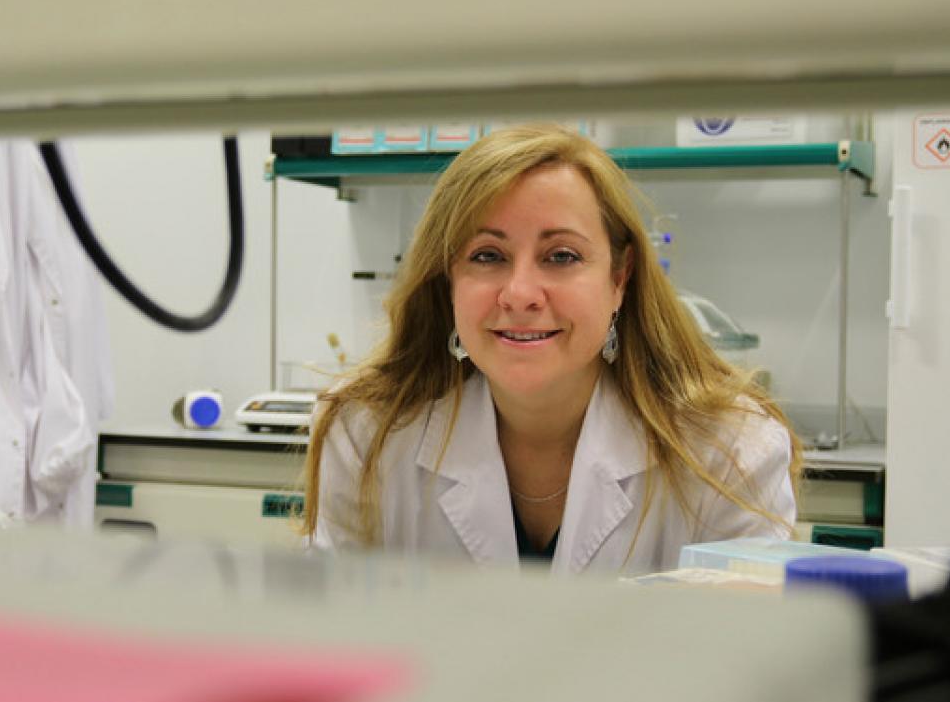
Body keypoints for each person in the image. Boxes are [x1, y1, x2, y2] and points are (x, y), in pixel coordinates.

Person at [302, 123, 801, 575]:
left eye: (561, 256)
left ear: (619, 278)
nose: (520, 294)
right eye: (487, 255)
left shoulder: (729, 453)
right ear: (447, 280)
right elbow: (329, 635)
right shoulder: (368, 435)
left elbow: (746, 645)